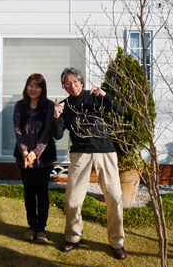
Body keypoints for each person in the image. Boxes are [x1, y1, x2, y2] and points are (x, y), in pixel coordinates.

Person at [53, 67, 127, 260]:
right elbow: (58, 134)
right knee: (72, 200)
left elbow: (121, 111)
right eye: (67, 83)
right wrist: (56, 116)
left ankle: (117, 242)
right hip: (80, 154)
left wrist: (105, 95)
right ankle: (74, 236)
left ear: (82, 82)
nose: (72, 85)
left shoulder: (95, 97)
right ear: (64, 86)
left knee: (114, 197)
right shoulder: (64, 106)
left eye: (75, 81)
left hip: (105, 151)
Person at [13, 73, 56, 244]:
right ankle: (31, 226)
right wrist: (24, 152)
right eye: (30, 85)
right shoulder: (19, 106)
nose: (33, 89)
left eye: (37, 86)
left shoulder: (48, 106)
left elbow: (47, 132)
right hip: (24, 159)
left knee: (42, 193)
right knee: (29, 193)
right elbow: (17, 130)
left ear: (42, 89)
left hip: (43, 158)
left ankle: (41, 228)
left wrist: (34, 153)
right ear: (26, 87)